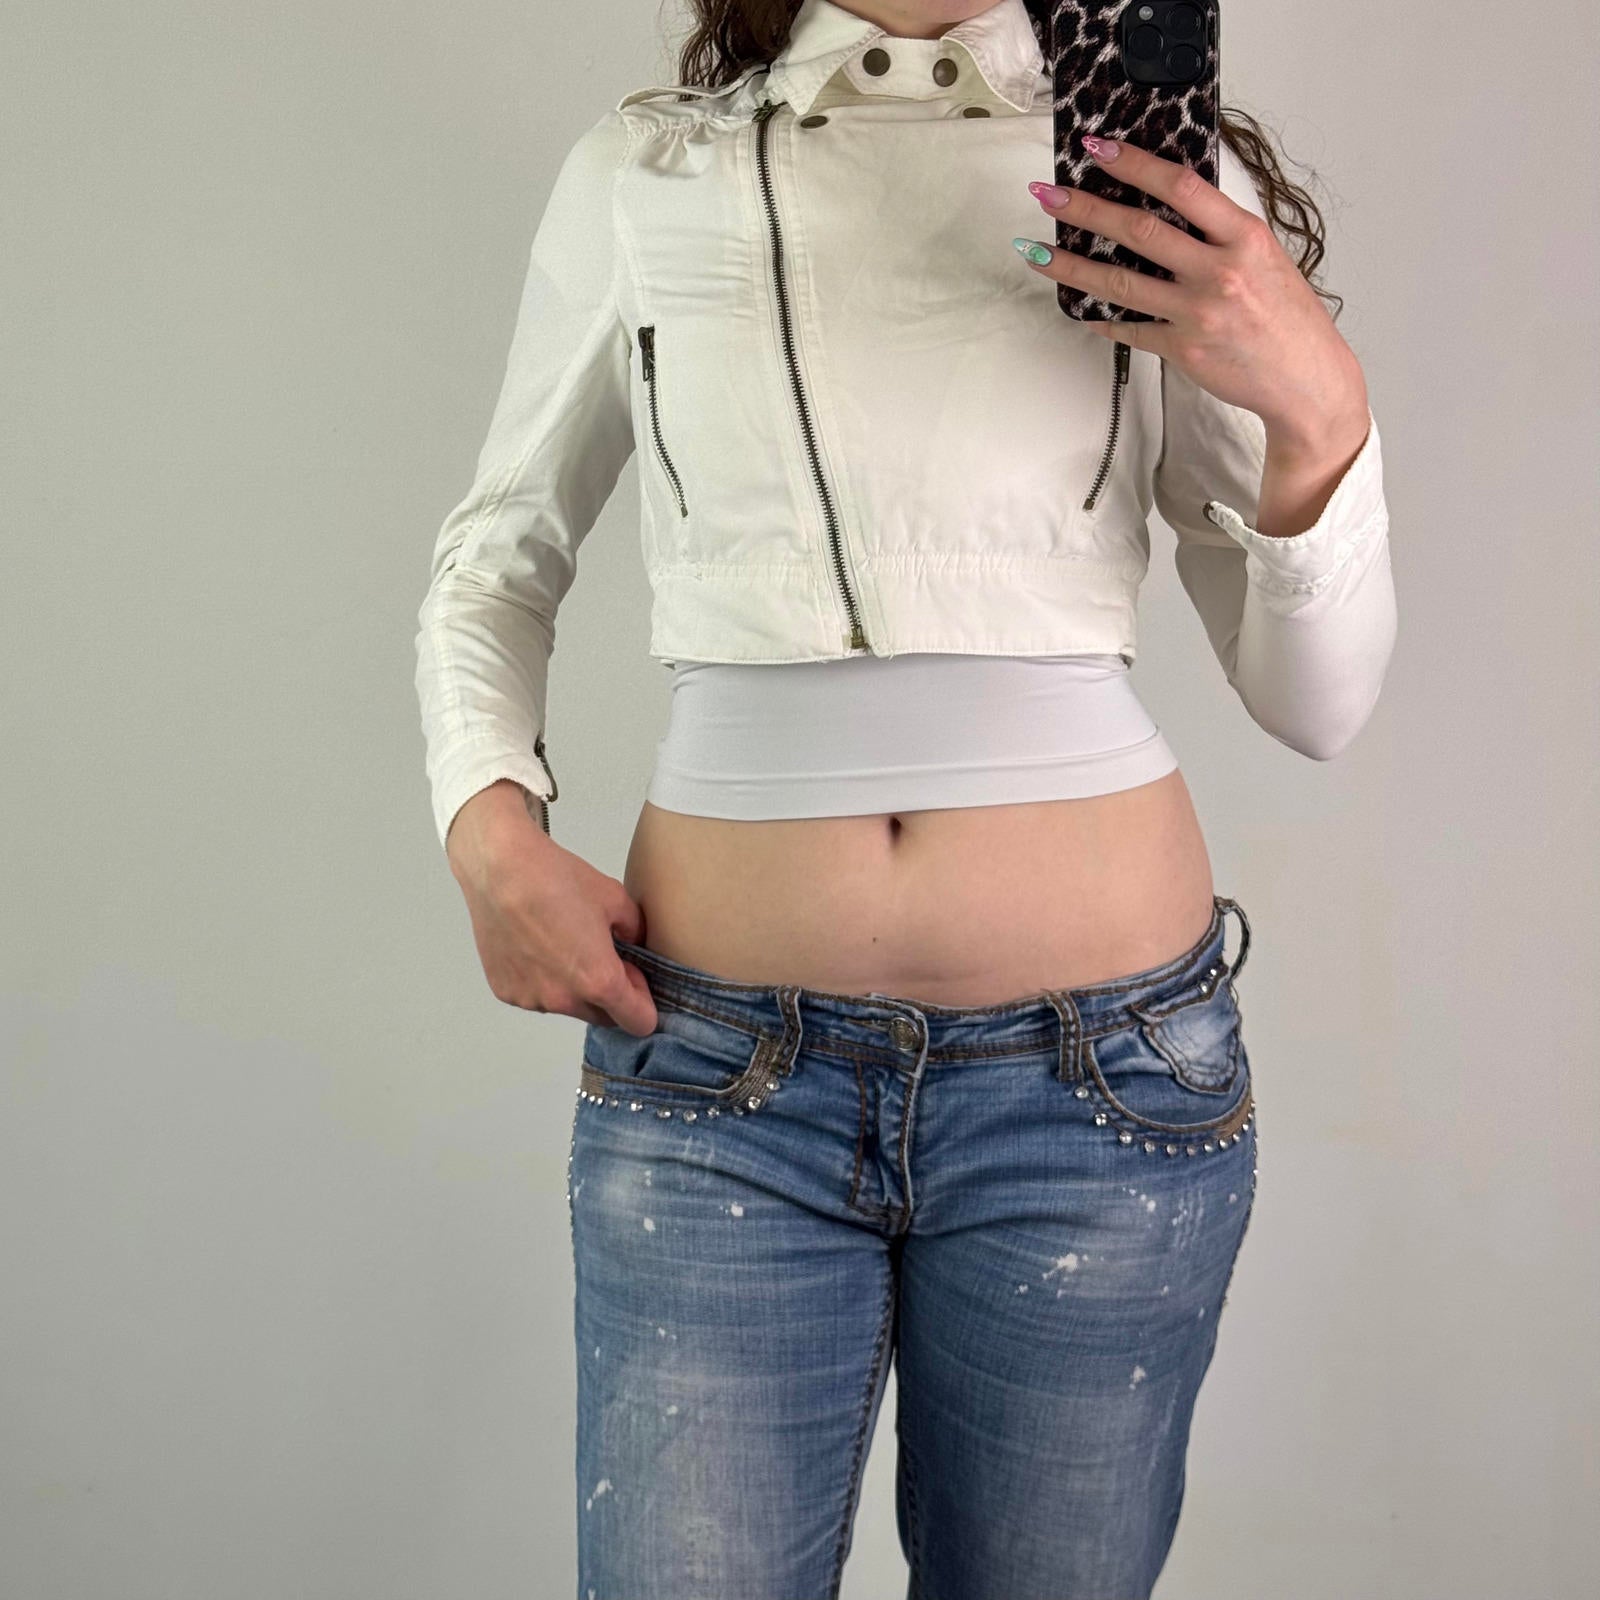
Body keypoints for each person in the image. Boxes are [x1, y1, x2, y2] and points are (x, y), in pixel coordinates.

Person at [414, 1, 1396, 1594]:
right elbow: (494, 559)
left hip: (1100, 1095)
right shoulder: (652, 175)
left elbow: (1318, 703)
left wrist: (1323, 412)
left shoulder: (1145, 179)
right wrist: (487, 826)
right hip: (719, 1089)